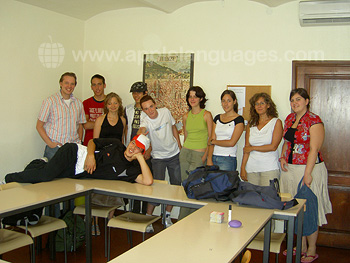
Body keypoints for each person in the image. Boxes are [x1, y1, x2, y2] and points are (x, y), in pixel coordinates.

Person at [279, 88, 332, 263]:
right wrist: (282, 157)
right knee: (295, 208)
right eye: (292, 100)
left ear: (307, 101)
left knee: (310, 209)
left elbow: (314, 149)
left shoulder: (314, 121)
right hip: (291, 170)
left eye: (299, 99)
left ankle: (311, 249)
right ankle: (300, 245)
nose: (295, 103)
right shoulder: (289, 119)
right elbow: (286, 141)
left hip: (310, 169)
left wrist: (308, 174)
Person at [5, 135, 152, 186]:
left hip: (77, 172)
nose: (132, 148)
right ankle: (8, 179)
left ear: (141, 152)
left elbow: (147, 181)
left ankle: (39, 163)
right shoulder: (117, 144)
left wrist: (139, 158)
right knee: (45, 176)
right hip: (75, 153)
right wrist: (90, 156)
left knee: (47, 175)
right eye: (133, 143)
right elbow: (92, 141)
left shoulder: (131, 170)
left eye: (138, 148)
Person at [138, 95, 182, 231]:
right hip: (158, 157)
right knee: (155, 188)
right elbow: (142, 130)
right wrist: (140, 134)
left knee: (176, 186)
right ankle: (148, 218)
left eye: (151, 106)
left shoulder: (165, 112)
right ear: (143, 110)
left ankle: (167, 215)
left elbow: (174, 128)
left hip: (174, 154)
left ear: (155, 104)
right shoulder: (145, 120)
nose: (150, 110)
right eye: (146, 109)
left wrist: (179, 145)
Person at [91, 92, 126, 234]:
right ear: (106, 105)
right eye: (110, 103)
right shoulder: (100, 120)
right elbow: (94, 141)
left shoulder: (122, 120)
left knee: (114, 191)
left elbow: (122, 141)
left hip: (116, 160)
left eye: (115, 103)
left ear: (119, 104)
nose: (113, 106)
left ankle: (110, 218)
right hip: (102, 159)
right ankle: (94, 222)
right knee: (97, 192)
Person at [179, 86, 213, 219]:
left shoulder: (206, 115)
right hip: (185, 153)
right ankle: (184, 221)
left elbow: (210, 138)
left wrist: (205, 156)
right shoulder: (186, 116)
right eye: (190, 96)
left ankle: (188, 219)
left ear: (201, 98)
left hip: (199, 154)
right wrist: (183, 150)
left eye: (195, 96)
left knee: (194, 186)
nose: (192, 99)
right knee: (185, 186)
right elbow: (186, 136)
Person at [36, 72, 86, 160]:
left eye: (72, 84)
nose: (69, 86)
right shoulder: (50, 101)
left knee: (71, 173)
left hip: (73, 148)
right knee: (53, 174)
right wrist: (51, 144)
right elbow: (39, 126)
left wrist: (79, 143)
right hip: (54, 150)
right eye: (66, 83)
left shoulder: (78, 103)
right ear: (61, 83)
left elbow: (80, 125)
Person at [240, 93, 283, 186]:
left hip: (269, 169)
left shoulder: (276, 122)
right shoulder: (251, 124)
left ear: (268, 105)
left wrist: (253, 148)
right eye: (256, 104)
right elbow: (246, 148)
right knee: (252, 199)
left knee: (268, 198)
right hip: (251, 169)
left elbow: (273, 147)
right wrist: (243, 167)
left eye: (262, 103)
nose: (259, 106)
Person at [124, 81, 150, 214]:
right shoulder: (128, 109)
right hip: (131, 151)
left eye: (139, 92)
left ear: (145, 93)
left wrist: (148, 151)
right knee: (134, 183)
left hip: (144, 152)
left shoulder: (149, 110)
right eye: (134, 93)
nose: (136, 95)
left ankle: (144, 214)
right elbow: (126, 128)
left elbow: (152, 133)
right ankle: (133, 213)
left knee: (145, 185)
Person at [207, 90, 244, 171]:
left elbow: (231, 143)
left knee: (225, 183)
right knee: (212, 183)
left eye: (229, 101)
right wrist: (209, 159)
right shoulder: (217, 118)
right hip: (214, 157)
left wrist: (213, 142)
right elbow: (211, 139)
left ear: (234, 102)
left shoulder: (239, 120)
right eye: (223, 101)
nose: (225, 104)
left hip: (227, 159)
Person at [82, 74, 106, 146]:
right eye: (94, 85)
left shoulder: (110, 102)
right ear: (91, 87)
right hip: (89, 143)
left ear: (104, 85)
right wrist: (105, 124)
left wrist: (92, 124)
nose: (97, 88)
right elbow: (86, 125)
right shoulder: (86, 103)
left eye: (99, 84)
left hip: (105, 143)